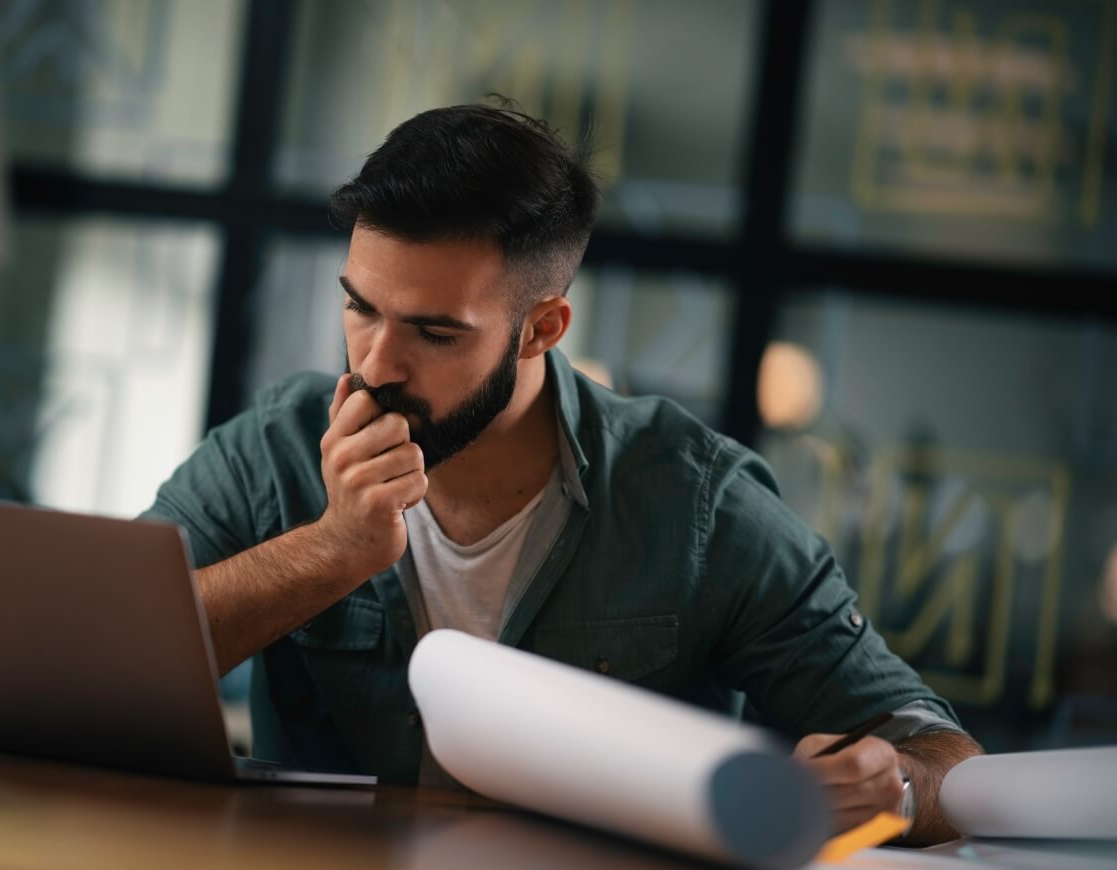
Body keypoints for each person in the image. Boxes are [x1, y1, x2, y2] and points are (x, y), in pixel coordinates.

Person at [142, 101, 981, 844]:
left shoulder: (696, 500)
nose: (376, 362)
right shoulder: (278, 443)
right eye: (361, 307)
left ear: (541, 328)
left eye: (435, 333)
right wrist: (330, 552)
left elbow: (940, 751)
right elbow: (95, 659)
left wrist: (897, 789)